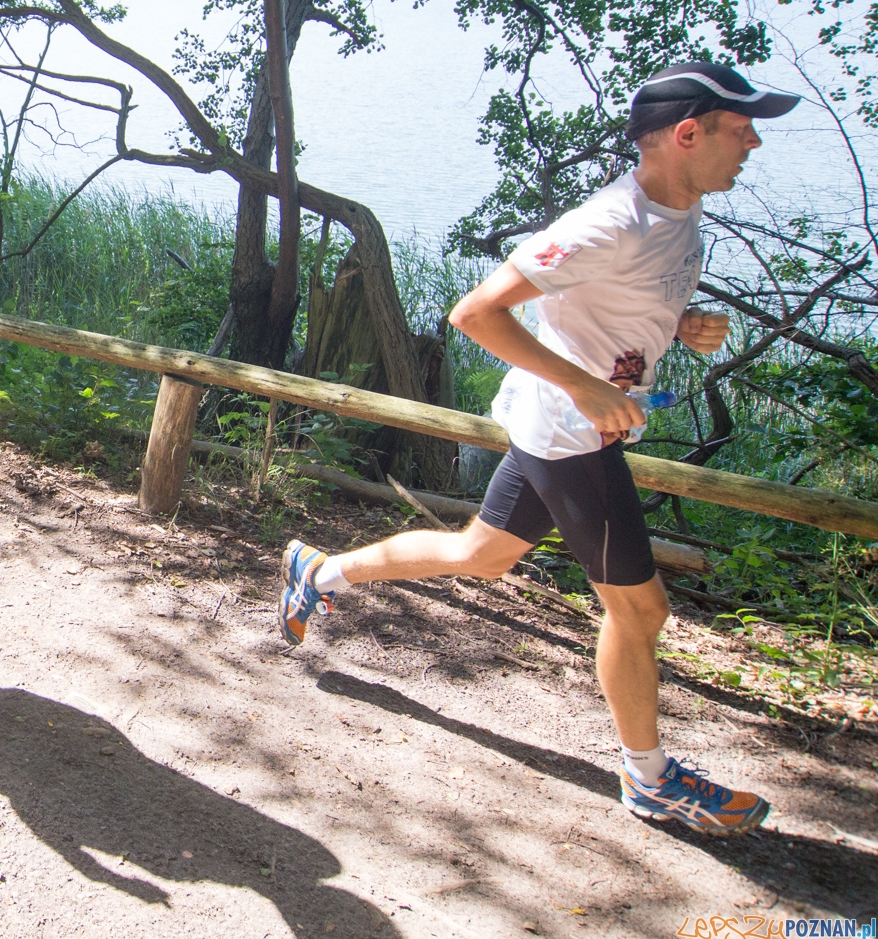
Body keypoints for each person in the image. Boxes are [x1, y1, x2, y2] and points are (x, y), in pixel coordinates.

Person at [277, 62, 800, 836]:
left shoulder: (678, 211)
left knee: (480, 554)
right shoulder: (609, 220)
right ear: (688, 134)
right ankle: (650, 778)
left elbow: (625, 295)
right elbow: (475, 313)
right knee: (640, 608)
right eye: (741, 127)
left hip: (559, 422)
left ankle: (320, 571)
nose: (754, 140)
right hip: (571, 434)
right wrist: (586, 388)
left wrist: (680, 324)